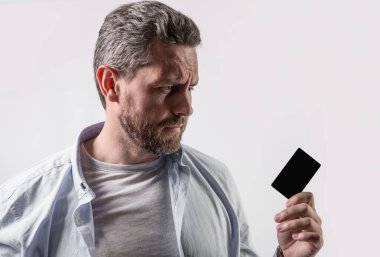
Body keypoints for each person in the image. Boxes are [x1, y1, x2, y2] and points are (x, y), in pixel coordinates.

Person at [0, 1, 323, 257]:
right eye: (167, 88)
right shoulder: (23, 206)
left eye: (190, 88)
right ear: (111, 84)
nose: (186, 108)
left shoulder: (216, 181)